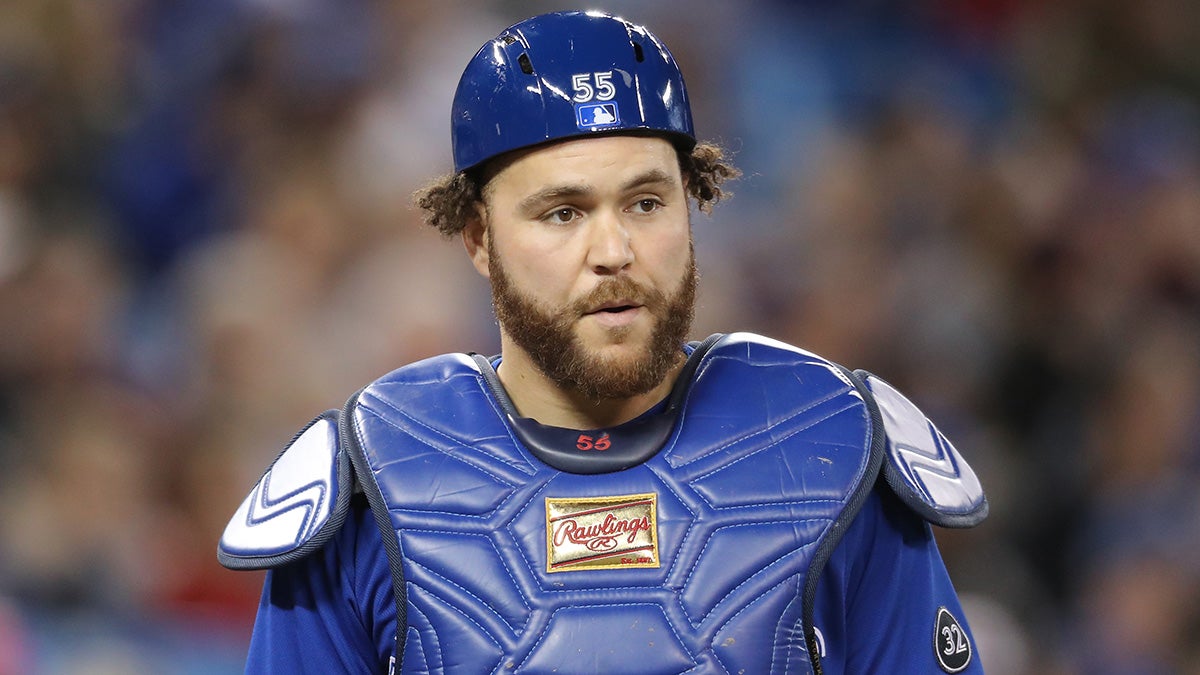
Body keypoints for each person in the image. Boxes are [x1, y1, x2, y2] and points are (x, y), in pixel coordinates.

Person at [218, 10, 988, 674]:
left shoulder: (831, 444)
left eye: (647, 201)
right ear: (480, 238)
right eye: (563, 212)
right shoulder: (372, 482)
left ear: (692, 208)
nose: (614, 249)